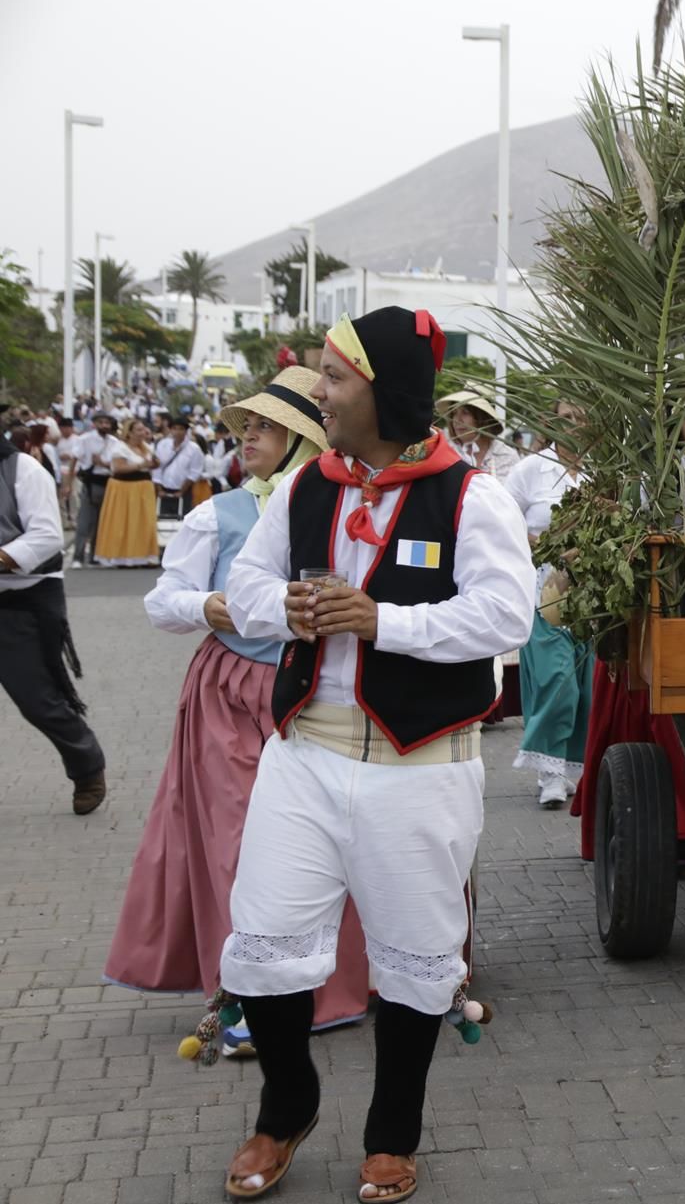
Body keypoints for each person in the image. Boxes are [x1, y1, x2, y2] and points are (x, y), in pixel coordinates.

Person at [218, 306, 534, 1202]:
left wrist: (382, 620)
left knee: (414, 956)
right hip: (304, 752)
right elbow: (243, 583)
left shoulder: (473, 494)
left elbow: (507, 614)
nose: (320, 391)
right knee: (264, 941)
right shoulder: (305, 488)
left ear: (385, 390)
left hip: (422, 765)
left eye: (335, 375)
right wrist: (286, 608)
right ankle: (286, 1104)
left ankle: (393, 1131)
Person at [105, 369, 368, 1050]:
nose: (246, 436)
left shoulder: (343, 508)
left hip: (317, 688)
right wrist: (206, 605)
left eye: (264, 427)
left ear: (302, 439)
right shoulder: (216, 513)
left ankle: (340, 979)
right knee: (234, 840)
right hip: (230, 691)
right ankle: (246, 996)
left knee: (324, 837)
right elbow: (163, 601)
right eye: (244, 427)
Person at [0, 419, 106, 815]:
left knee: (38, 699)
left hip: (23, 599)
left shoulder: (24, 470)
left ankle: (87, 765)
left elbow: (46, 536)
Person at [503, 399, 593, 810]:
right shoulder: (531, 469)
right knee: (557, 677)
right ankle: (549, 773)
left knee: (586, 683)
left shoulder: (602, 470)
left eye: (579, 418)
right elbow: (503, 519)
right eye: (564, 418)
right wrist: (544, 546)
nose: (571, 426)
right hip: (545, 586)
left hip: (593, 590)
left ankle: (568, 765)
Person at [93, 418, 161, 567]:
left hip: (143, 487)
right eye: (138, 430)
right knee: (123, 522)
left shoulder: (146, 448)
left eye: (143, 429)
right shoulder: (120, 448)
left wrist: (153, 464)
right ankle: (123, 556)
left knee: (144, 523)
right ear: (129, 433)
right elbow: (117, 468)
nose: (142, 433)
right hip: (125, 487)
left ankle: (143, 556)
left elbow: (152, 465)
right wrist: (140, 465)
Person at [439, 388, 522, 478]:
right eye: (454, 413)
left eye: (465, 412)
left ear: (482, 418)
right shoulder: (447, 454)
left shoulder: (506, 456)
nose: (457, 420)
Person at [70, 413, 116, 566]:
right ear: (95, 424)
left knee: (101, 522)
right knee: (84, 522)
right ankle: (78, 557)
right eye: (101, 422)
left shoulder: (114, 442)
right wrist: (68, 482)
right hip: (91, 483)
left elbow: (116, 463)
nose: (104, 426)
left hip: (108, 482)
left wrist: (103, 463)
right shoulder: (84, 439)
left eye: (107, 423)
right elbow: (74, 458)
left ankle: (95, 556)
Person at [153, 414, 205, 519]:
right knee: (163, 520)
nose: (177, 432)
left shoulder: (194, 449)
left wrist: (181, 491)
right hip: (163, 490)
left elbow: (194, 472)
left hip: (183, 491)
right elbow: (157, 468)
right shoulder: (163, 444)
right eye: (174, 429)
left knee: (182, 520)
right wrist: (159, 489)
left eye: (181, 429)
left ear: (186, 431)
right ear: (170, 429)